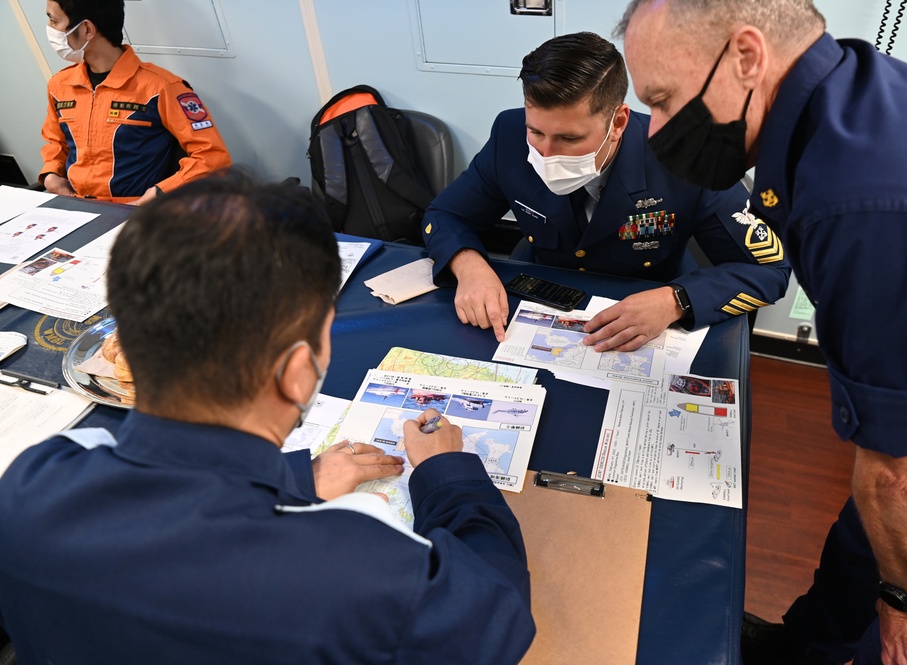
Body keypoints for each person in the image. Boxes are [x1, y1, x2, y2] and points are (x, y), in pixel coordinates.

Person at [0, 173, 535, 664]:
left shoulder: (31, 482)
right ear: (297, 373)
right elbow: (499, 617)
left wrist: (295, 480)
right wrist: (451, 477)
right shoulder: (359, 573)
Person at [619, 1, 907, 664]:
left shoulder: (862, 195)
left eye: (661, 99)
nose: (654, 129)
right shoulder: (849, 106)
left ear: (746, 56)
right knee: (859, 551)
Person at [422, 32, 789, 352]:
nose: (546, 154)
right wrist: (468, 265)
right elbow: (447, 214)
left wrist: (676, 301)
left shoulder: (689, 157)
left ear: (618, 122)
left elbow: (769, 270)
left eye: (569, 138)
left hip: (647, 304)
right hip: (536, 296)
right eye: (537, 132)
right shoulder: (509, 133)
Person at [39, 0, 232, 204]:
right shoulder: (60, 85)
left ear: (87, 29)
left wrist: (157, 194)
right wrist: (52, 174)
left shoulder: (162, 88)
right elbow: (56, 142)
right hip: (76, 206)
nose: (50, 29)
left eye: (54, 20)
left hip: (137, 212)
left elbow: (212, 158)